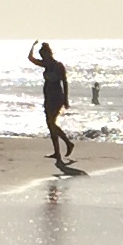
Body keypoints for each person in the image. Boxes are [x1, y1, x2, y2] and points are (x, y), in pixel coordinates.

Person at [28, 40, 75, 168]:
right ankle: (57, 152)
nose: (43, 58)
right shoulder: (46, 65)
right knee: (50, 125)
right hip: (47, 97)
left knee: (51, 122)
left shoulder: (58, 66)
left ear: (49, 54)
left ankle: (68, 143)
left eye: (44, 55)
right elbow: (30, 58)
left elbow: (64, 82)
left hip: (57, 97)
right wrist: (32, 46)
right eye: (42, 56)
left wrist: (66, 99)